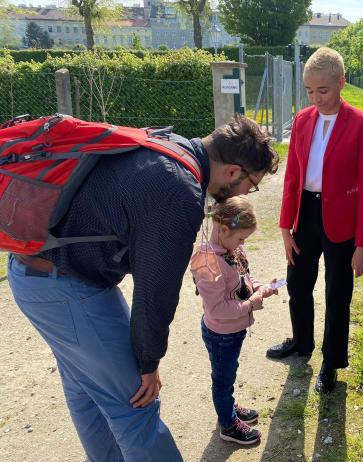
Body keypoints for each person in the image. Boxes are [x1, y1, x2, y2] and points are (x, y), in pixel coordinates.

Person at [7, 115, 279, 461]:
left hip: (35, 272)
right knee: (136, 402)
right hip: (64, 287)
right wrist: (147, 363)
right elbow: (155, 293)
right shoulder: (180, 192)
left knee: (88, 392)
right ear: (232, 171)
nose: (245, 194)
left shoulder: (171, 146)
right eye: (250, 185)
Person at [267, 47, 363, 393]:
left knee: (337, 292)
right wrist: (286, 228)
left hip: (342, 221)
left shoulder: (361, 125)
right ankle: (302, 343)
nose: (316, 98)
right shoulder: (302, 121)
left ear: (341, 83)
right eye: (310, 91)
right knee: (298, 284)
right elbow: (292, 177)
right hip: (306, 214)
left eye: (323, 90)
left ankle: (332, 360)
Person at [191, 196, 278, 445]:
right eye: (241, 238)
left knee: (228, 373)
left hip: (233, 330)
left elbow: (242, 282)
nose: (242, 244)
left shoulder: (231, 248)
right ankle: (228, 424)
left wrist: (262, 287)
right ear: (224, 229)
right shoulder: (207, 261)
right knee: (222, 378)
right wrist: (250, 304)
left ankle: (227, 406)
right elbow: (217, 308)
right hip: (222, 334)